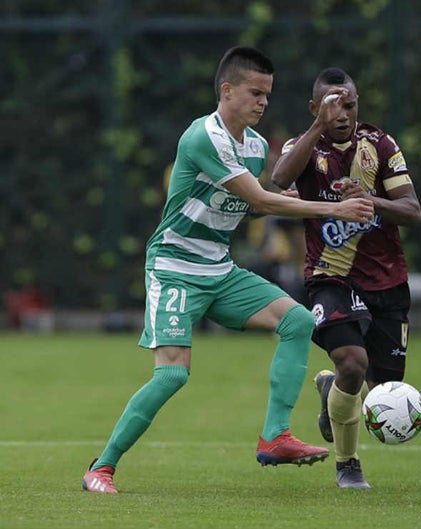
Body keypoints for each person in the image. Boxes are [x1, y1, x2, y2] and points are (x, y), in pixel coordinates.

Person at [81, 47, 375, 494]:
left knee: (297, 322)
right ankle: (101, 468)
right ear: (227, 90)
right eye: (255, 93)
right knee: (172, 374)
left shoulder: (254, 147)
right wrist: (333, 208)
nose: (263, 102)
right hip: (175, 268)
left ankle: (275, 437)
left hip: (219, 270)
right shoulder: (203, 137)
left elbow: (251, 207)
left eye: (267, 94)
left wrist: (307, 199)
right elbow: (258, 199)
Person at [270, 67, 421, 489]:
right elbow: (279, 179)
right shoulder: (303, 146)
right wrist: (316, 128)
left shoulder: (381, 144)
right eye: (331, 107)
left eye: (349, 105)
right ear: (315, 108)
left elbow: (412, 211)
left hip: (386, 280)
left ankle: (331, 389)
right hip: (329, 277)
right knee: (353, 362)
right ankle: (348, 465)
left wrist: (371, 201)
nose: (342, 114)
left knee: (384, 386)